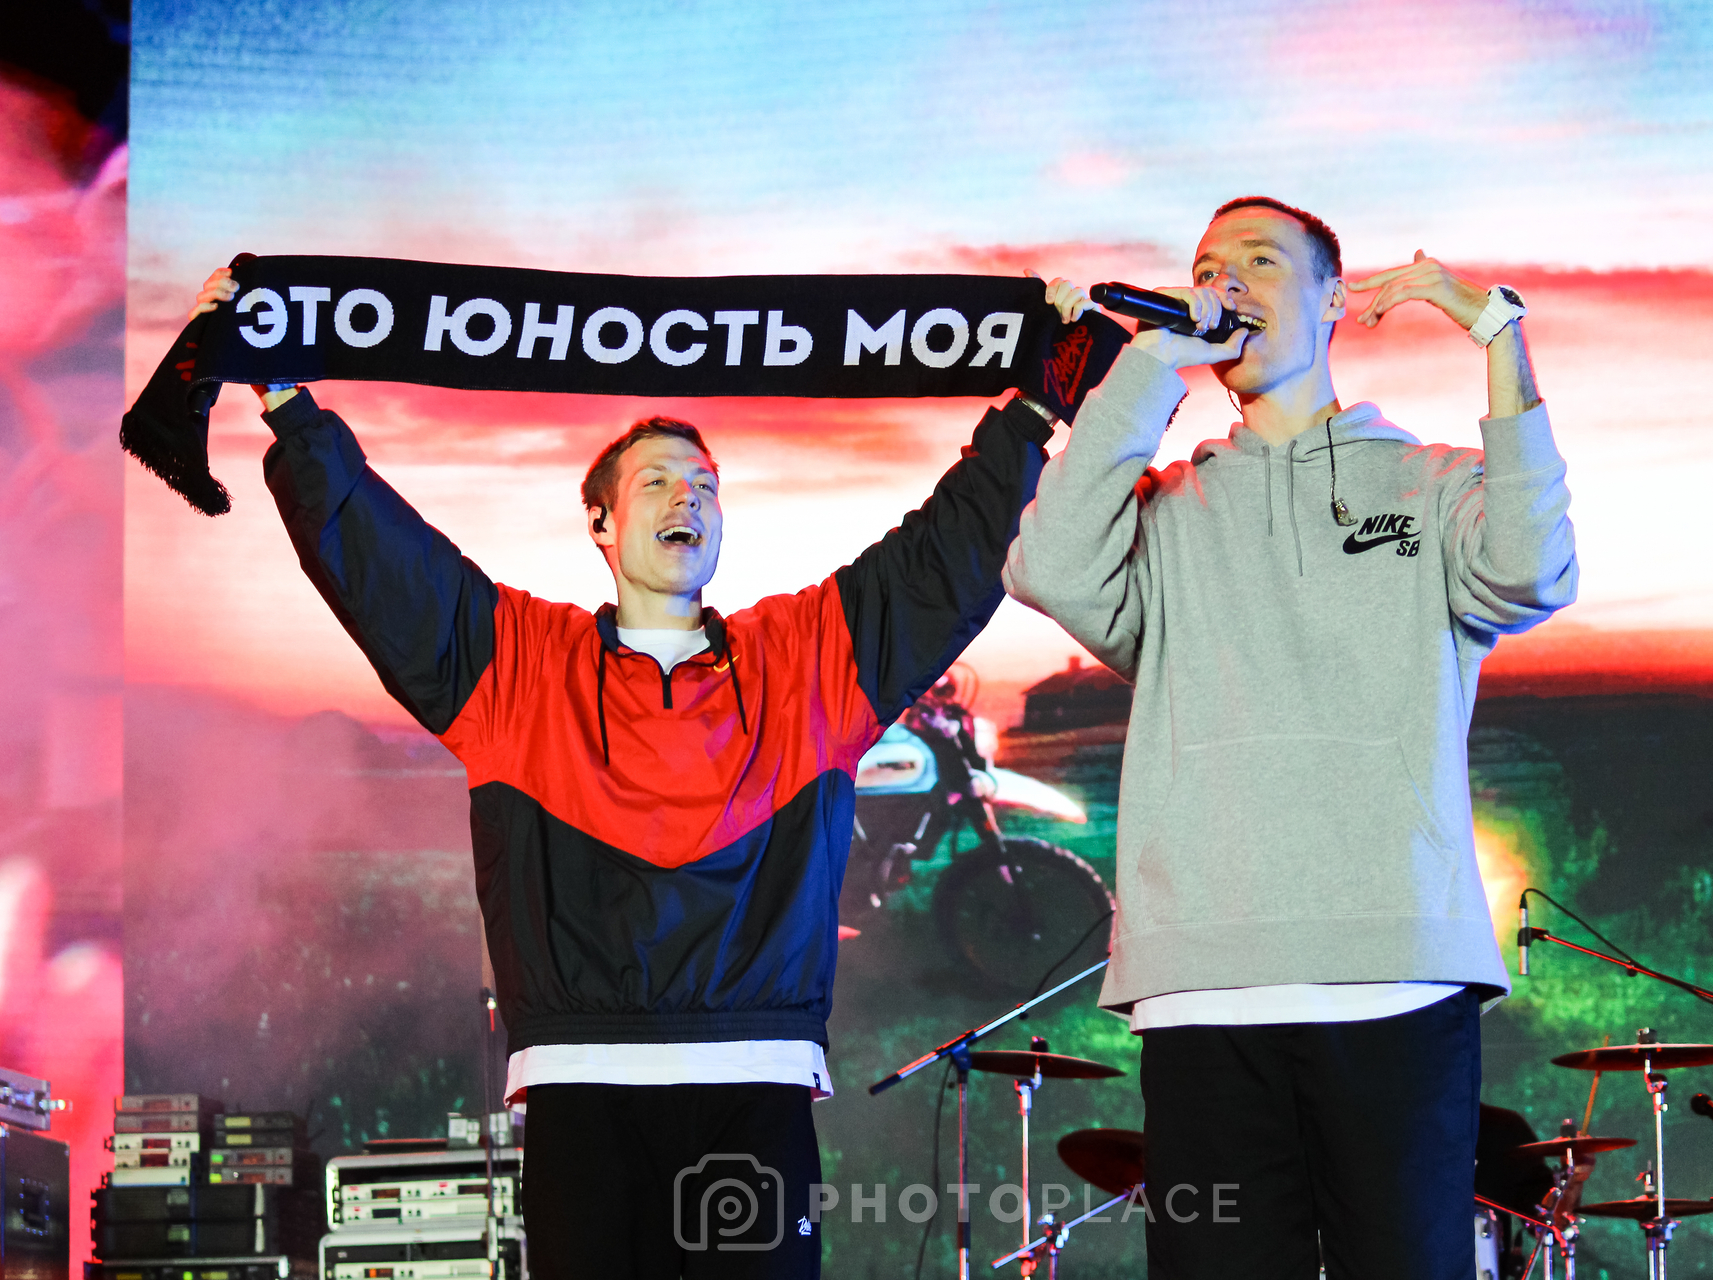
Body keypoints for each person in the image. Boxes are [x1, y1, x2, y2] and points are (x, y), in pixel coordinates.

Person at [187, 267, 1096, 1279]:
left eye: (705, 483)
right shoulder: (519, 665)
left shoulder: (806, 659)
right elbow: (381, 559)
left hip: (754, 1080)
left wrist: (1030, 411)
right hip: (582, 1084)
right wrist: (286, 398)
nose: (687, 495)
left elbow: (941, 559)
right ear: (602, 524)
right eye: (656, 481)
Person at [1003, 197, 1578, 1278]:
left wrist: (1500, 335)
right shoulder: (1165, 512)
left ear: (1334, 299)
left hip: (1397, 977)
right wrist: (1149, 368)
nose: (1224, 283)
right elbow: (1050, 566)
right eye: (1206, 268)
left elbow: (1531, 568)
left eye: (1261, 261)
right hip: (1202, 987)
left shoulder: (1429, 479)